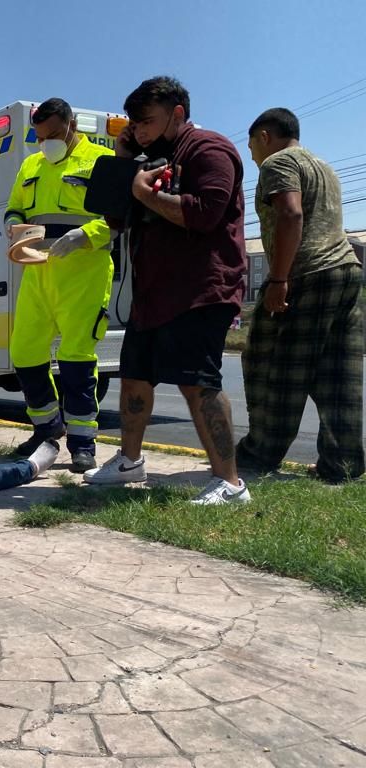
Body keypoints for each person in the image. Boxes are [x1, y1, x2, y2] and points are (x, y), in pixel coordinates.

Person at [84, 76, 250, 504]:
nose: (140, 131)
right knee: (135, 376)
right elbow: (117, 218)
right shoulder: (149, 160)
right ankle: (130, 460)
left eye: (147, 122)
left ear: (177, 113)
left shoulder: (209, 149)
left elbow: (205, 214)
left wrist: (143, 192)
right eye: (134, 124)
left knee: (198, 382)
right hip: (154, 292)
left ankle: (230, 483)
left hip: (200, 288)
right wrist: (124, 161)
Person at [237, 108, 364, 482]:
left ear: (264, 136)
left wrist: (279, 280)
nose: (253, 156)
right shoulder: (324, 167)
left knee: (273, 363)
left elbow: (291, 215)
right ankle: (341, 463)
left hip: (306, 273)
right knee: (337, 372)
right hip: (346, 270)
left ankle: (259, 452)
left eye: (251, 146)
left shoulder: (278, 162)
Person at [4, 98, 116, 472]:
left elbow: (119, 217)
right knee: (24, 352)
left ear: (72, 125)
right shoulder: (31, 165)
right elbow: (15, 206)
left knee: (76, 357)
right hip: (38, 272)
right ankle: (47, 428)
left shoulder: (101, 160)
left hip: (84, 272)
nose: (45, 142)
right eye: (39, 137)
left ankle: (82, 444)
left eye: (52, 134)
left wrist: (86, 235)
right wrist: (13, 224)